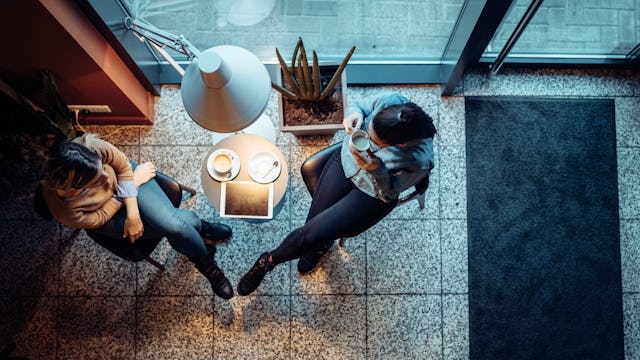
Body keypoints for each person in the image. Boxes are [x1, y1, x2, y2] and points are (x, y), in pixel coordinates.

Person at [237, 92, 436, 295]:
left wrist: (376, 168)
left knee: (311, 234)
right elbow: (359, 106)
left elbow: (388, 193)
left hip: (371, 192)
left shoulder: (418, 160)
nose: (368, 140)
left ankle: (268, 261)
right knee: (312, 229)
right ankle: (318, 248)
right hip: (345, 161)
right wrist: (354, 114)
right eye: (368, 130)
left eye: (377, 144)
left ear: (400, 145)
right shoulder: (391, 102)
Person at [41, 133, 234, 299]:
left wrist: (132, 208)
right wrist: (130, 188)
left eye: (103, 169)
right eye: (97, 180)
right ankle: (202, 234)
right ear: (75, 187)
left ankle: (205, 258)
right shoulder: (63, 209)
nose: (107, 178)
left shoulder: (91, 147)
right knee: (179, 225)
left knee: (174, 227)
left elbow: (123, 167)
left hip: (129, 182)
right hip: (109, 216)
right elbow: (98, 219)